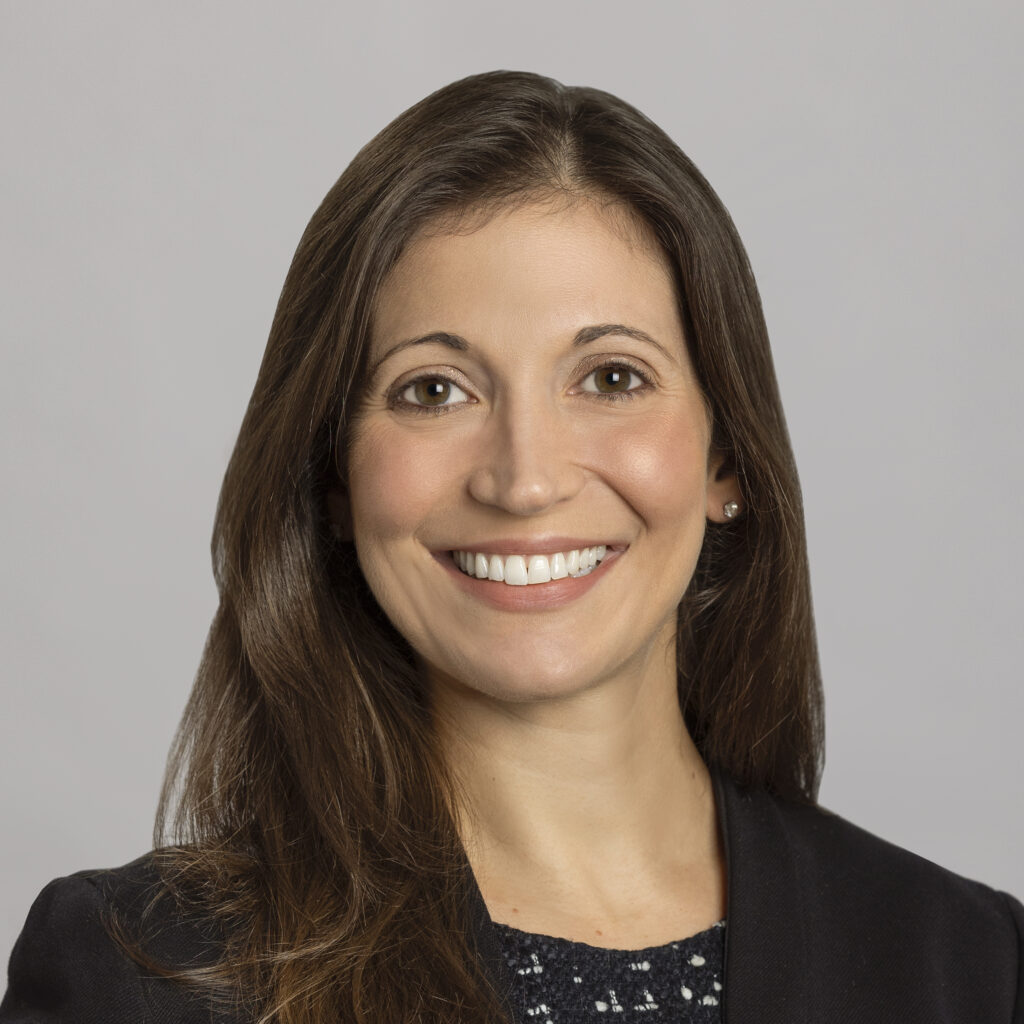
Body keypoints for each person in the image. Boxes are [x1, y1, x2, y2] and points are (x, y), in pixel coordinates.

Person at [2, 69, 1020, 1024]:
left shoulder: (971, 965)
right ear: (334, 484)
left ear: (727, 460)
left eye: (612, 378)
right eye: (433, 390)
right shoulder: (142, 974)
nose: (523, 478)